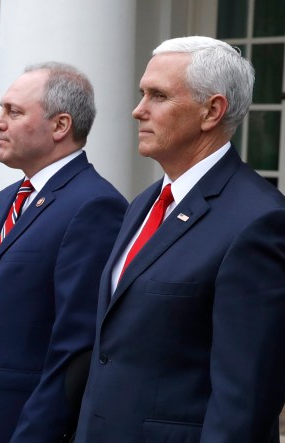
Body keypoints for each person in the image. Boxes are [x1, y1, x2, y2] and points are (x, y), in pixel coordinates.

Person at [75, 36, 285, 443]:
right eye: (142, 94)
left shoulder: (259, 220)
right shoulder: (145, 204)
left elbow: (243, 400)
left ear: (212, 110)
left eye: (158, 96)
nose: (138, 110)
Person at [0, 62, 127, 443]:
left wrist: (36, 432)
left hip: (19, 424)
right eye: (1, 109)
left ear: (60, 126)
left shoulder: (94, 205)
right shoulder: (6, 199)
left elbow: (75, 345)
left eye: (14, 112)